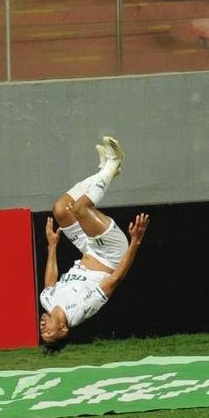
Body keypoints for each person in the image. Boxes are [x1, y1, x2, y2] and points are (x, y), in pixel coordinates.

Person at [39, 135, 150, 347]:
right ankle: (113, 162)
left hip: (88, 250)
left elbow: (49, 283)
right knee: (81, 209)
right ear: (63, 328)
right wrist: (135, 241)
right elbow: (115, 279)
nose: (43, 328)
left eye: (42, 332)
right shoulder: (81, 310)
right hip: (111, 254)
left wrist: (52, 246)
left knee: (61, 209)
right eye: (49, 333)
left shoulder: (47, 301)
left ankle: (104, 171)